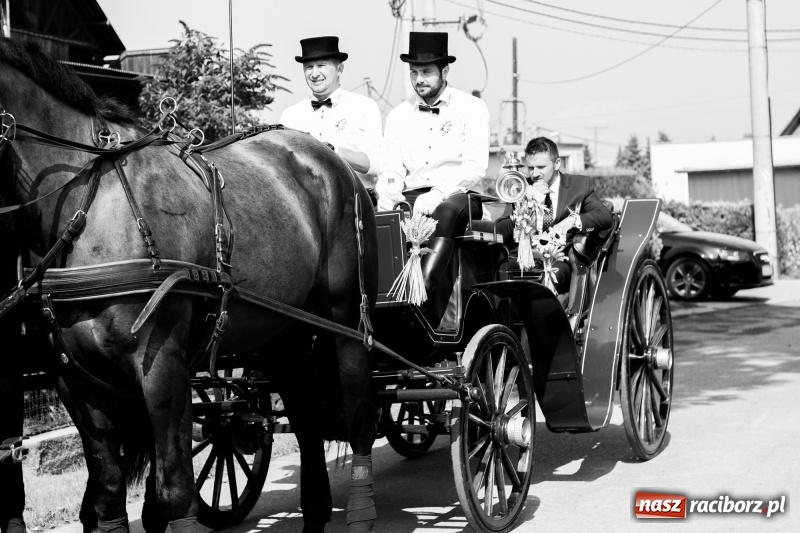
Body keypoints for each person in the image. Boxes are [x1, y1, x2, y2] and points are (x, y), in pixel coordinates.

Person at [376, 31, 490, 298]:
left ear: (445, 70)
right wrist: (387, 190)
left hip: (458, 196)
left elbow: (475, 167)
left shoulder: (471, 108)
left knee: (445, 212)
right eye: (413, 72)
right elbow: (390, 166)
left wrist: (439, 192)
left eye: (425, 71)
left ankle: (419, 293)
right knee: (372, 216)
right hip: (412, 195)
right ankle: (378, 295)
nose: (418, 79)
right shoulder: (398, 115)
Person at [498, 137, 613, 294]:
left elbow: (605, 216)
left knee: (548, 280)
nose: (535, 174)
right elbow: (501, 229)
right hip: (524, 257)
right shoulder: (520, 186)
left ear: (557, 163)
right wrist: (528, 202)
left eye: (541, 167)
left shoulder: (579, 185)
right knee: (497, 272)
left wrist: (573, 220)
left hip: (559, 260)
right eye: (531, 168)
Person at [279, 36, 382, 189]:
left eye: (321, 65)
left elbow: (377, 164)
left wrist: (333, 151)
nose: (314, 74)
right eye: (308, 67)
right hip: (306, 208)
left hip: (356, 203)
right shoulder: (290, 116)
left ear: (339, 69)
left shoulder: (364, 107)